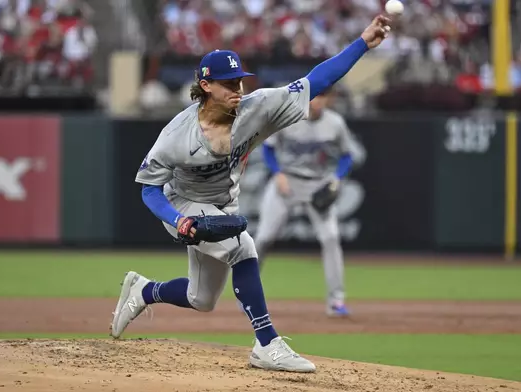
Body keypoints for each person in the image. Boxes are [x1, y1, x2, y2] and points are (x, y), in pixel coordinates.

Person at [110, 15, 392, 373]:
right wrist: (178, 219)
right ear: (205, 85)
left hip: (223, 205)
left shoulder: (257, 107)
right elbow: (149, 189)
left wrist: (363, 43)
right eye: (228, 84)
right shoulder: (176, 136)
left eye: (239, 81)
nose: (237, 89)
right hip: (183, 204)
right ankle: (267, 343)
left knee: (203, 299)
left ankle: (143, 290)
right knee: (244, 246)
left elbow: (317, 80)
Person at [254, 88, 354, 317]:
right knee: (264, 239)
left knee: (330, 239)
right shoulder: (288, 117)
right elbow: (268, 150)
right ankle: (247, 293)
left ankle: (336, 301)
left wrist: (337, 178)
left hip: (318, 184)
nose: (317, 101)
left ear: (329, 99)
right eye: (314, 96)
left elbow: (347, 155)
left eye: (322, 97)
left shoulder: (335, 123)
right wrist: (277, 173)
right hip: (286, 182)